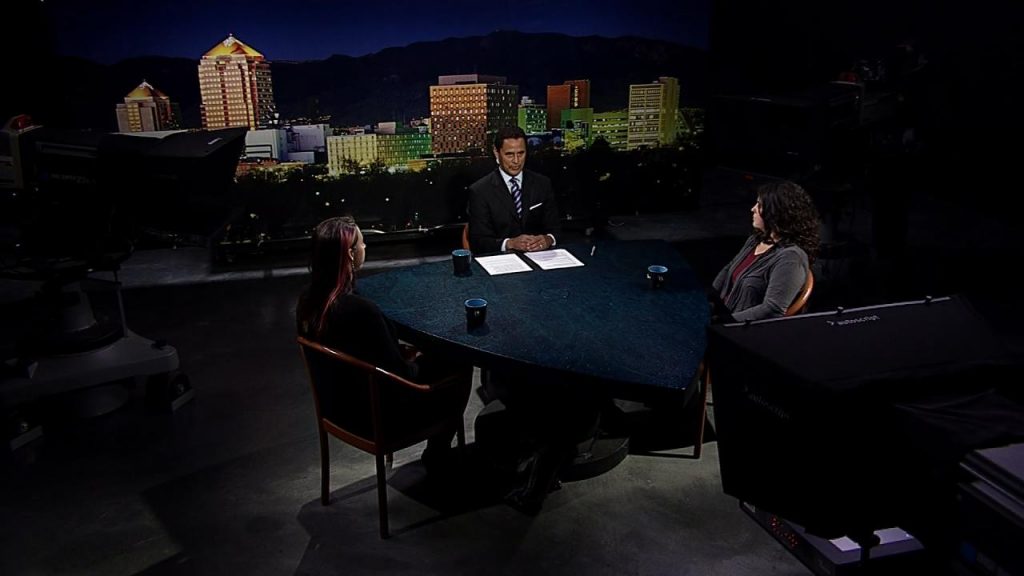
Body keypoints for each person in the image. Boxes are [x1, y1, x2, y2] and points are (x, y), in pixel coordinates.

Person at [295, 216, 472, 472]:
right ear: (350, 253)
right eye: (363, 244)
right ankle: (438, 452)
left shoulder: (307, 302)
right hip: (381, 416)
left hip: (340, 408)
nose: (365, 248)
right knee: (458, 360)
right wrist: (418, 356)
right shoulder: (360, 310)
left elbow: (366, 353)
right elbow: (402, 374)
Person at [711, 180, 820, 322]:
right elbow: (729, 269)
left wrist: (720, 322)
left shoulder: (791, 258)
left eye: (760, 205)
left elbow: (772, 309)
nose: (753, 209)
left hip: (741, 328)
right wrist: (709, 300)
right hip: (721, 315)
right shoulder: (756, 240)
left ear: (776, 213)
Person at [467, 125, 560, 254]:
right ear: (496, 152)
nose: (516, 161)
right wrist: (509, 243)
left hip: (539, 260)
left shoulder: (542, 184)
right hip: (501, 263)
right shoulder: (480, 191)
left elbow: (557, 229)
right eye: (509, 154)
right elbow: (478, 241)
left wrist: (549, 239)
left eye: (521, 153)